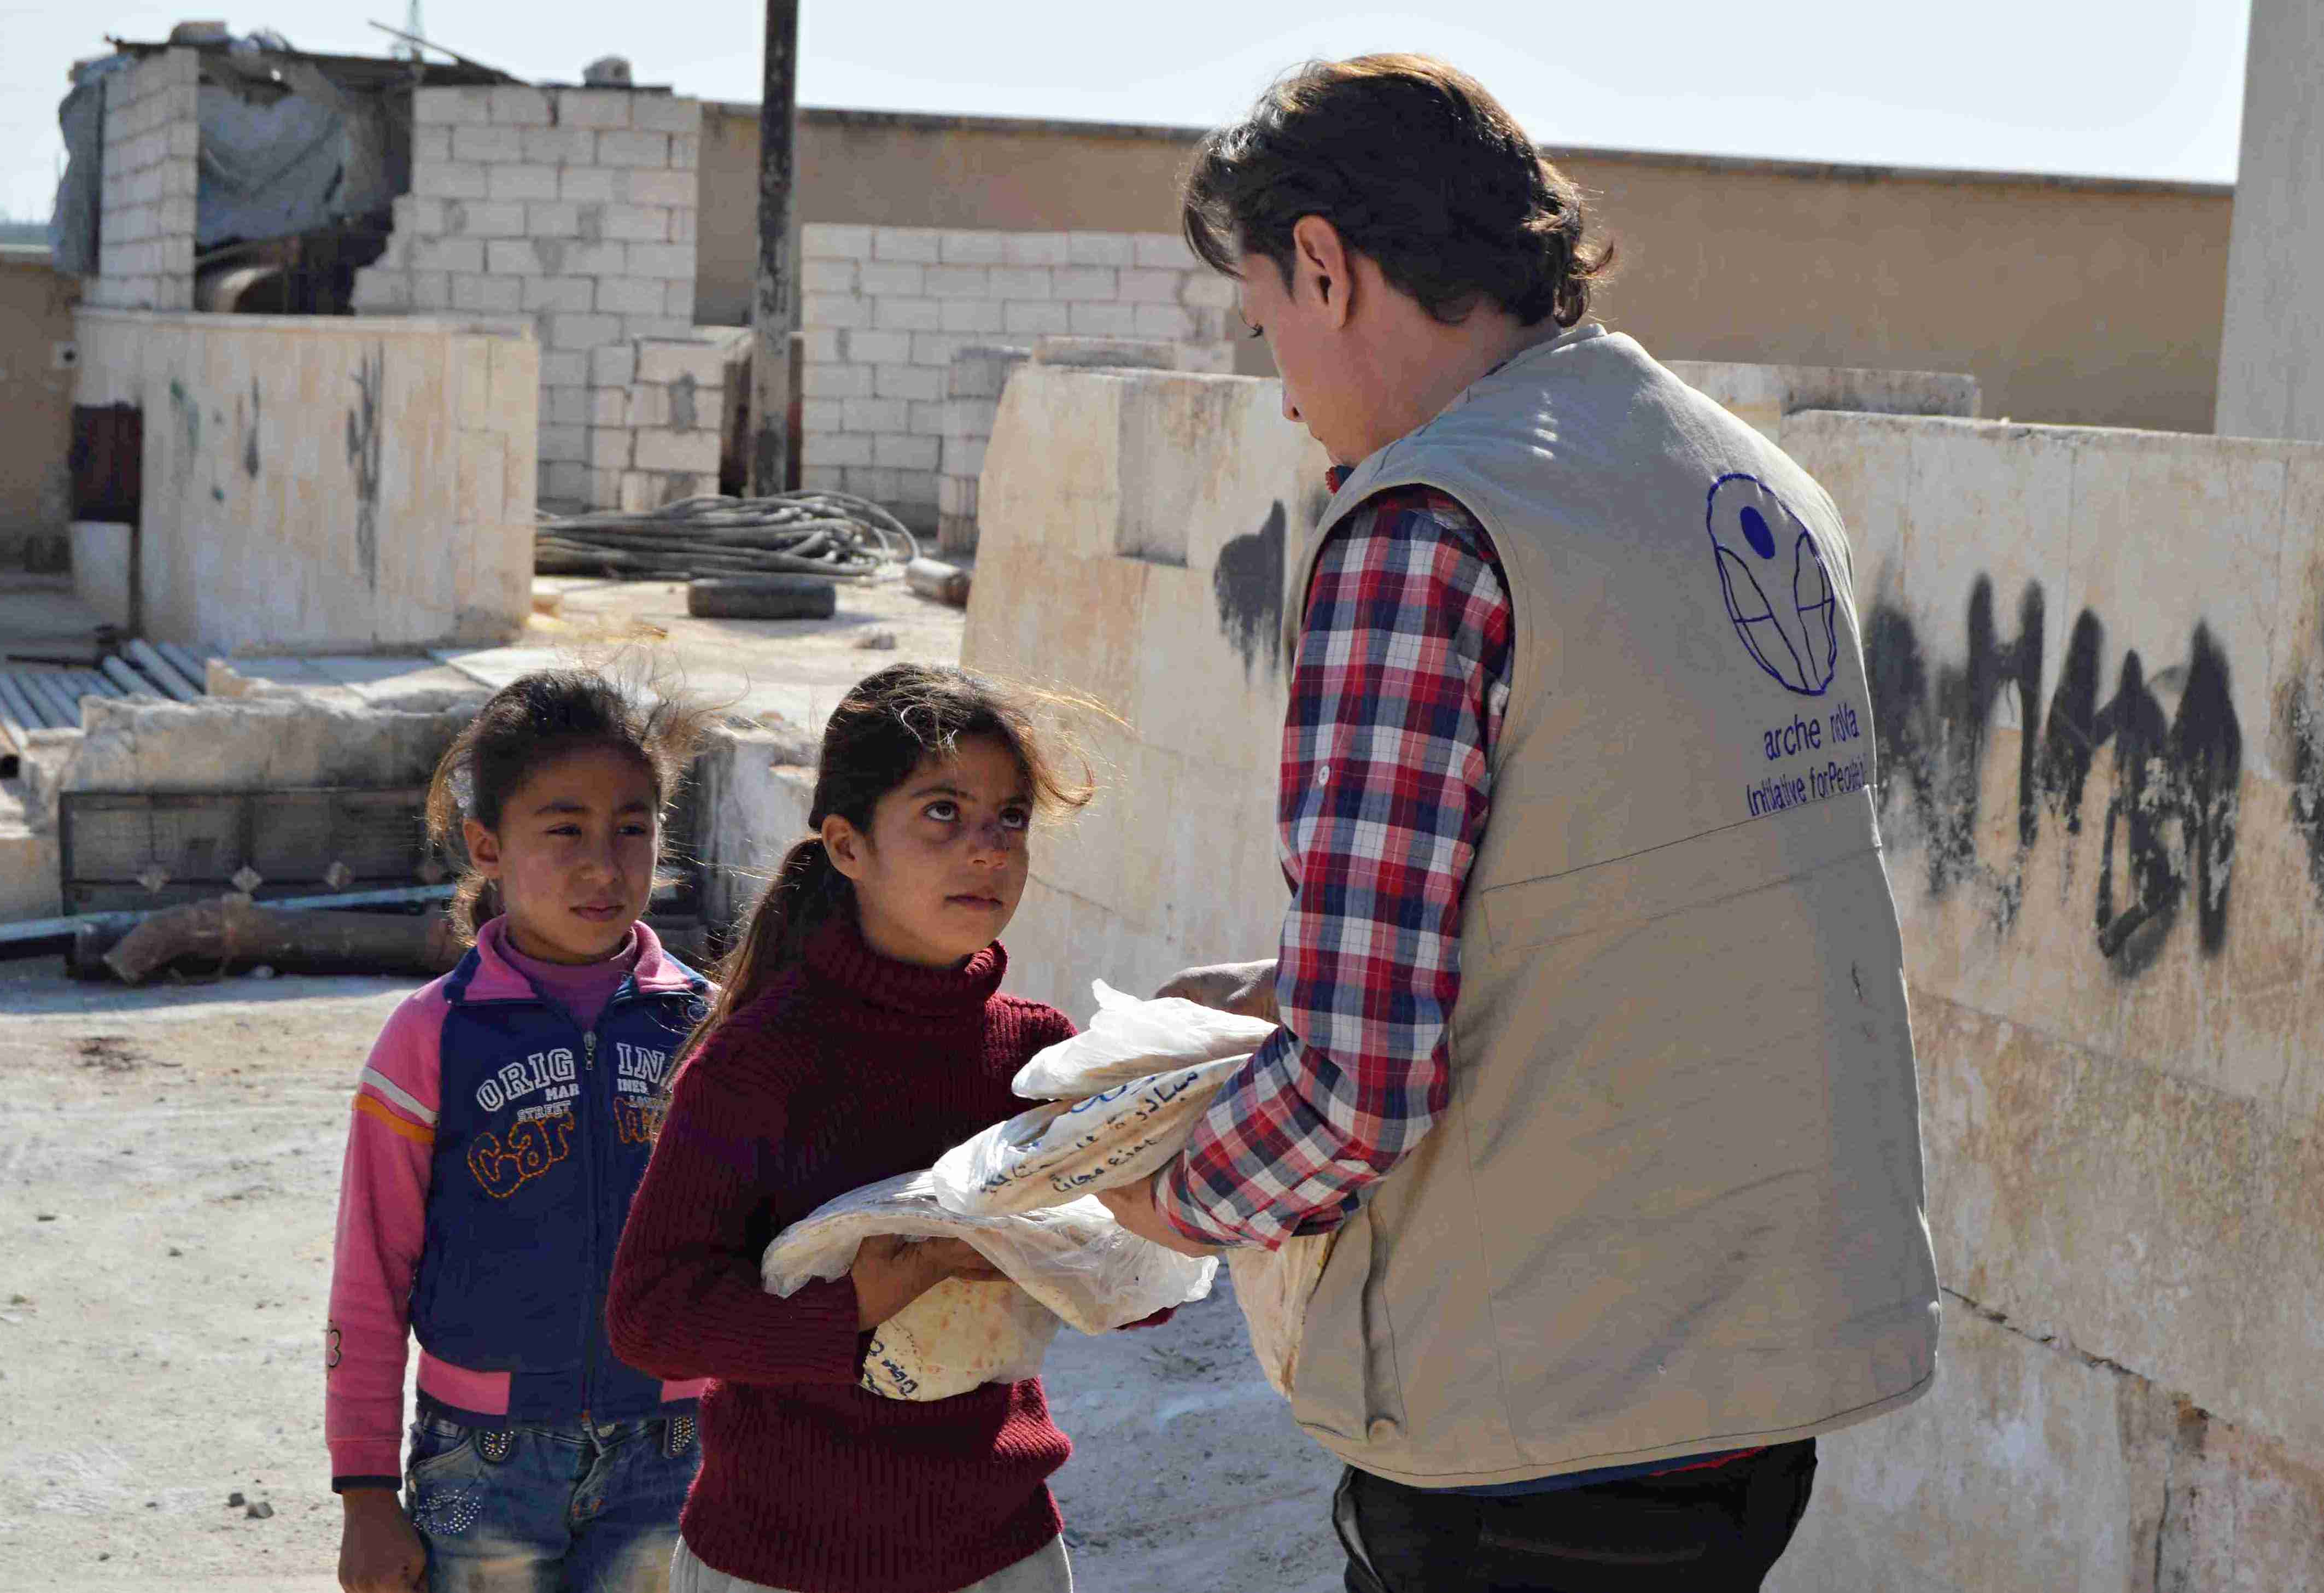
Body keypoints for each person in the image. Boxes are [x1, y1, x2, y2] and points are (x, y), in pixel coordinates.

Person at [1094, 55, 1942, 1592]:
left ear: (1328, 265)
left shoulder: (1427, 528)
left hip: (1535, 1410)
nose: (1273, 369)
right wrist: (1281, 995)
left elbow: (1358, 1090)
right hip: (1757, 1385)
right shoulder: (1736, 476)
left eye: (1263, 307)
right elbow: (1626, 895)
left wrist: (1156, 1191)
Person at [606, 663, 1114, 1593]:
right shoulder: (761, 1065)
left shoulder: (1041, 1056)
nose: (988, 850)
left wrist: (1135, 1195)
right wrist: (862, 1303)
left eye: (1010, 818)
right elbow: (649, 1314)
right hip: (778, 1560)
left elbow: (1135, 1289)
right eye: (942, 813)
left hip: (995, 1554)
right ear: (845, 844)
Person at [328, 670, 715, 1593]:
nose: (604, 863)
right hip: (484, 1461)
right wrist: (364, 1492)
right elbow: (371, 1272)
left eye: (631, 826)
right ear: (487, 845)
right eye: (564, 828)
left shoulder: (704, 1027)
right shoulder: (432, 1035)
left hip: (675, 1449)